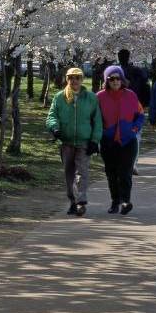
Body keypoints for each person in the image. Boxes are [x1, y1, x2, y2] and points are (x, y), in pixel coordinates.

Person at [46, 67, 103, 217]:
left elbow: (97, 121)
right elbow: (52, 115)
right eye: (71, 78)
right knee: (69, 173)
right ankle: (72, 201)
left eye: (77, 77)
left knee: (82, 172)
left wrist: (95, 140)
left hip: (84, 142)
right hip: (66, 141)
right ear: (67, 79)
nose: (74, 80)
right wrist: (54, 128)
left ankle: (81, 202)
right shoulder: (60, 97)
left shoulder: (91, 98)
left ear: (82, 79)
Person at [97, 65, 145, 215]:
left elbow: (140, 115)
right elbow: (95, 118)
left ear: (122, 79)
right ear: (107, 81)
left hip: (128, 141)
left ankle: (126, 201)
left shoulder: (131, 95)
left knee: (125, 173)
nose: (115, 81)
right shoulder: (99, 97)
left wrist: (134, 129)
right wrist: (103, 132)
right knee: (111, 174)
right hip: (108, 142)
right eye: (112, 79)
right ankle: (114, 201)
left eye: (118, 78)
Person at [115, 49, 151, 174]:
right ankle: (133, 163)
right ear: (129, 57)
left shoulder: (114, 73)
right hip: (136, 107)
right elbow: (146, 88)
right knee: (136, 135)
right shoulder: (138, 72)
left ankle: (121, 162)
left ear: (119, 58)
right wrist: (145, 104)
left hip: (117, 108)